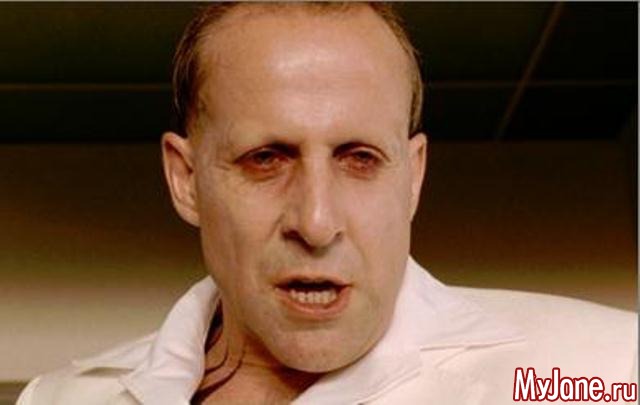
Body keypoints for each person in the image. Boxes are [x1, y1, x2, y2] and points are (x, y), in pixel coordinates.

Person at [18, 3, 636, 404]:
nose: (316, 223)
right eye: (266, 159)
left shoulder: (607, 370)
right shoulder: (60, 398)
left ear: (413, 177)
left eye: (359, 159)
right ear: (186, 179)